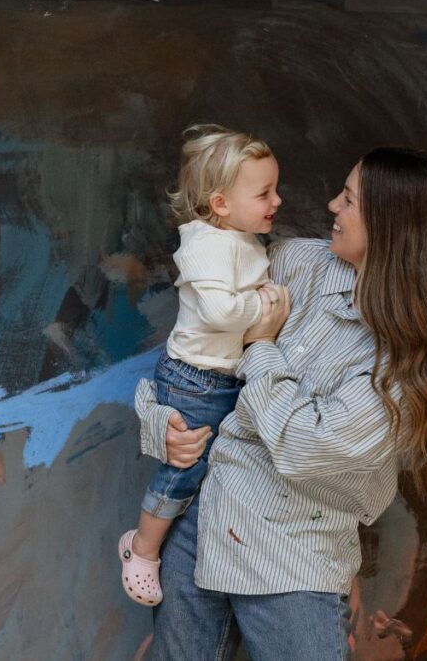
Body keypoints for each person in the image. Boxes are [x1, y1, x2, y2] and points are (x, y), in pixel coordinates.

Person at [134, 147, 427, 659]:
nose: (330, 206)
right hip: (199, 523)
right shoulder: (297, 261)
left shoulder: (406, 361)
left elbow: (307, 449)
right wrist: (159, 424)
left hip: (294, 556)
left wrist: (260, 348)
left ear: (390, 227)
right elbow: (194, 350)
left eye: (348, 200)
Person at [118, 124, 285, 606]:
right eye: (264, 193)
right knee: (183, 468)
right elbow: (218, 313)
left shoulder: (242, 238)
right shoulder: (206, 246)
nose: (276, 200)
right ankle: (142, 548)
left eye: (276, 188)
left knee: (213, 469)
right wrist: (265, 312)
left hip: (219, 379)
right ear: (220, 205)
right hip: (194, 381)